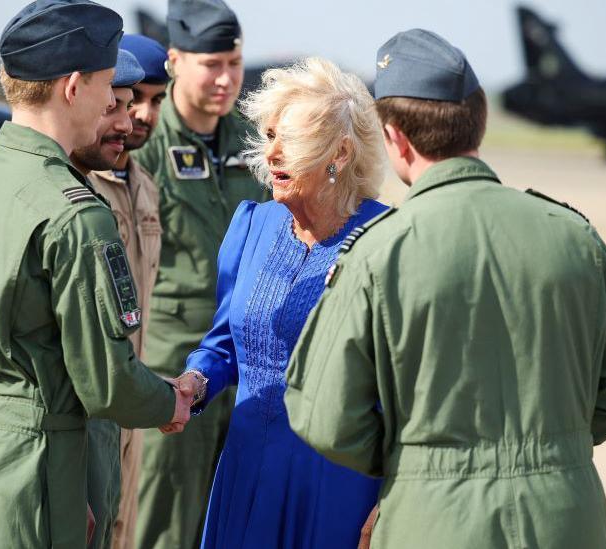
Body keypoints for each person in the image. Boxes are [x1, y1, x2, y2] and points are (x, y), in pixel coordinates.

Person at [285, 29, 606, 549]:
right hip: (564, 516)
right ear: (476, 123)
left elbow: (324, 415)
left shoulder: (377, 253)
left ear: (396, 139)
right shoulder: (575, 237)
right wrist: (552, 448)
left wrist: (415, 462)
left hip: (435, 520)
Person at [0, 2, 192, 547]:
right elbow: (106, 380)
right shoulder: (75, 211)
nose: (120, 107)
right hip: (41, 474)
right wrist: (171, 403)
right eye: (107, 85)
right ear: (72, 87)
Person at [178, 57, 387, 548]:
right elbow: (224, 341)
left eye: (289, 140)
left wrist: (391, 498)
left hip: (338, 483)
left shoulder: (387, 238)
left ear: (338, 152)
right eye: (269, 135)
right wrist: (197, 380)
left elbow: (410, 387)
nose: (271, 153)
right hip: (246, 464)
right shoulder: (252, 224)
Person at [131, 1, 268, 547]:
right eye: (212, 64)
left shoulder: (251, 141)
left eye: (234, 62)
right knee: (164, 517)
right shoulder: (146, 146)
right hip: (171, 357)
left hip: (245, 359)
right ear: (174, 61)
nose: (226, 78)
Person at [69, 44, 166, 549]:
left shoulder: (146, 186)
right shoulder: (76, 189)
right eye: (127, 102)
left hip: (132, 402)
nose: (139, 117)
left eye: (152, 101)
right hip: (88, 414)